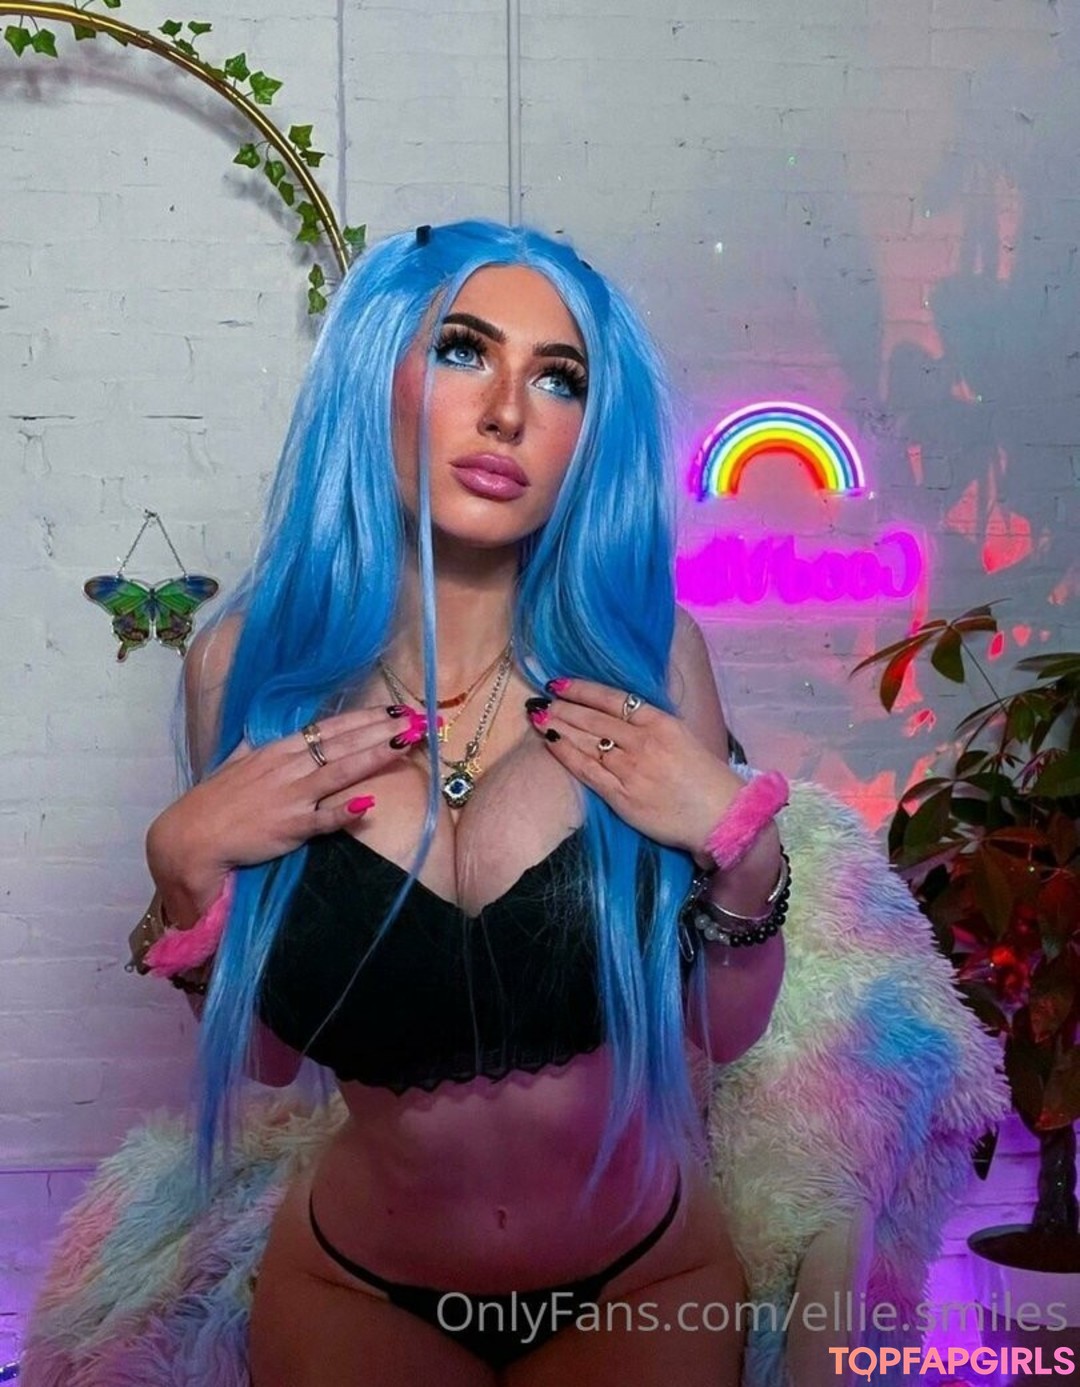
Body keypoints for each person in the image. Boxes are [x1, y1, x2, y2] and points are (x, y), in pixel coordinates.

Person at [141, 219, 789, 1386]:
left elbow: (720, 1035)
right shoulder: (246, 673)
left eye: (559, 378)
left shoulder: (650, 661)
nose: (506, 413)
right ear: (374, 374)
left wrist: (747, 855)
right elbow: (271, 1060)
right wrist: (185, 875)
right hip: (357, 1286)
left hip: (645, 1278)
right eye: (460, 351)